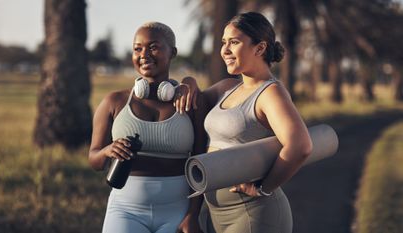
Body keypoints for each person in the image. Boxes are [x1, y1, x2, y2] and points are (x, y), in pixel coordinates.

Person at [181, 12, 313, 233]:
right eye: (223, 43)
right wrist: (188, 81)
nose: (225, 50)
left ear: (259, 48)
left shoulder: (270, 93)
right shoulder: (226, 88)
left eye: (234, 42)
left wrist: (263, 188)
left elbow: (300, 146)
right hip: (215, 215)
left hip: (255, 214)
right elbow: (194, 100)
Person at [88, 22, 206, 233]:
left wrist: (193, 215)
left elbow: (201, 162)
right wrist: (107, 150)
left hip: (178, 211)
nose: (144, 54)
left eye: (153, 47)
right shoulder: (114, 102)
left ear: (173, 52)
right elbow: (95, 161)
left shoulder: (189, 101)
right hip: (125, 210)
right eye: (137, 48)